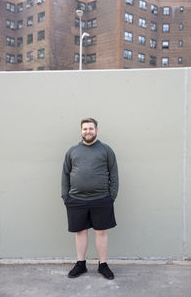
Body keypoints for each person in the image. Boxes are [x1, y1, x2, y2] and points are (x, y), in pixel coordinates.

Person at [61, 118, 119, 280]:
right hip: (76, 199)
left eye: (91, 128)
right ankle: (81, 264)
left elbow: (114, 174)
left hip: (101, 199)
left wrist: (111, 196)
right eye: (85, 129)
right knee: (80, 232)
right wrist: (65, 196)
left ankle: (103, 264)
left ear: (96, 130)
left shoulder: (106, 150)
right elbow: (65, 174)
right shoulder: (72, 151)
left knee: (101, 232)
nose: (88, 131)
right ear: (81, 131)